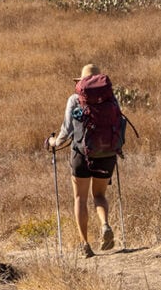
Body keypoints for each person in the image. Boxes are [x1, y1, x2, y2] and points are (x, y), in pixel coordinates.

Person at [47, 63, 117, 258]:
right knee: (100, 195)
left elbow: (65, 132)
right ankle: (105, 225)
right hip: (106, 154)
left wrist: (53, 142)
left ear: (81, 82)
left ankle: (85, 244)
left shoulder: (75, 99)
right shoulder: (111, 98)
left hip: (81, 154)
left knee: (80, 198)